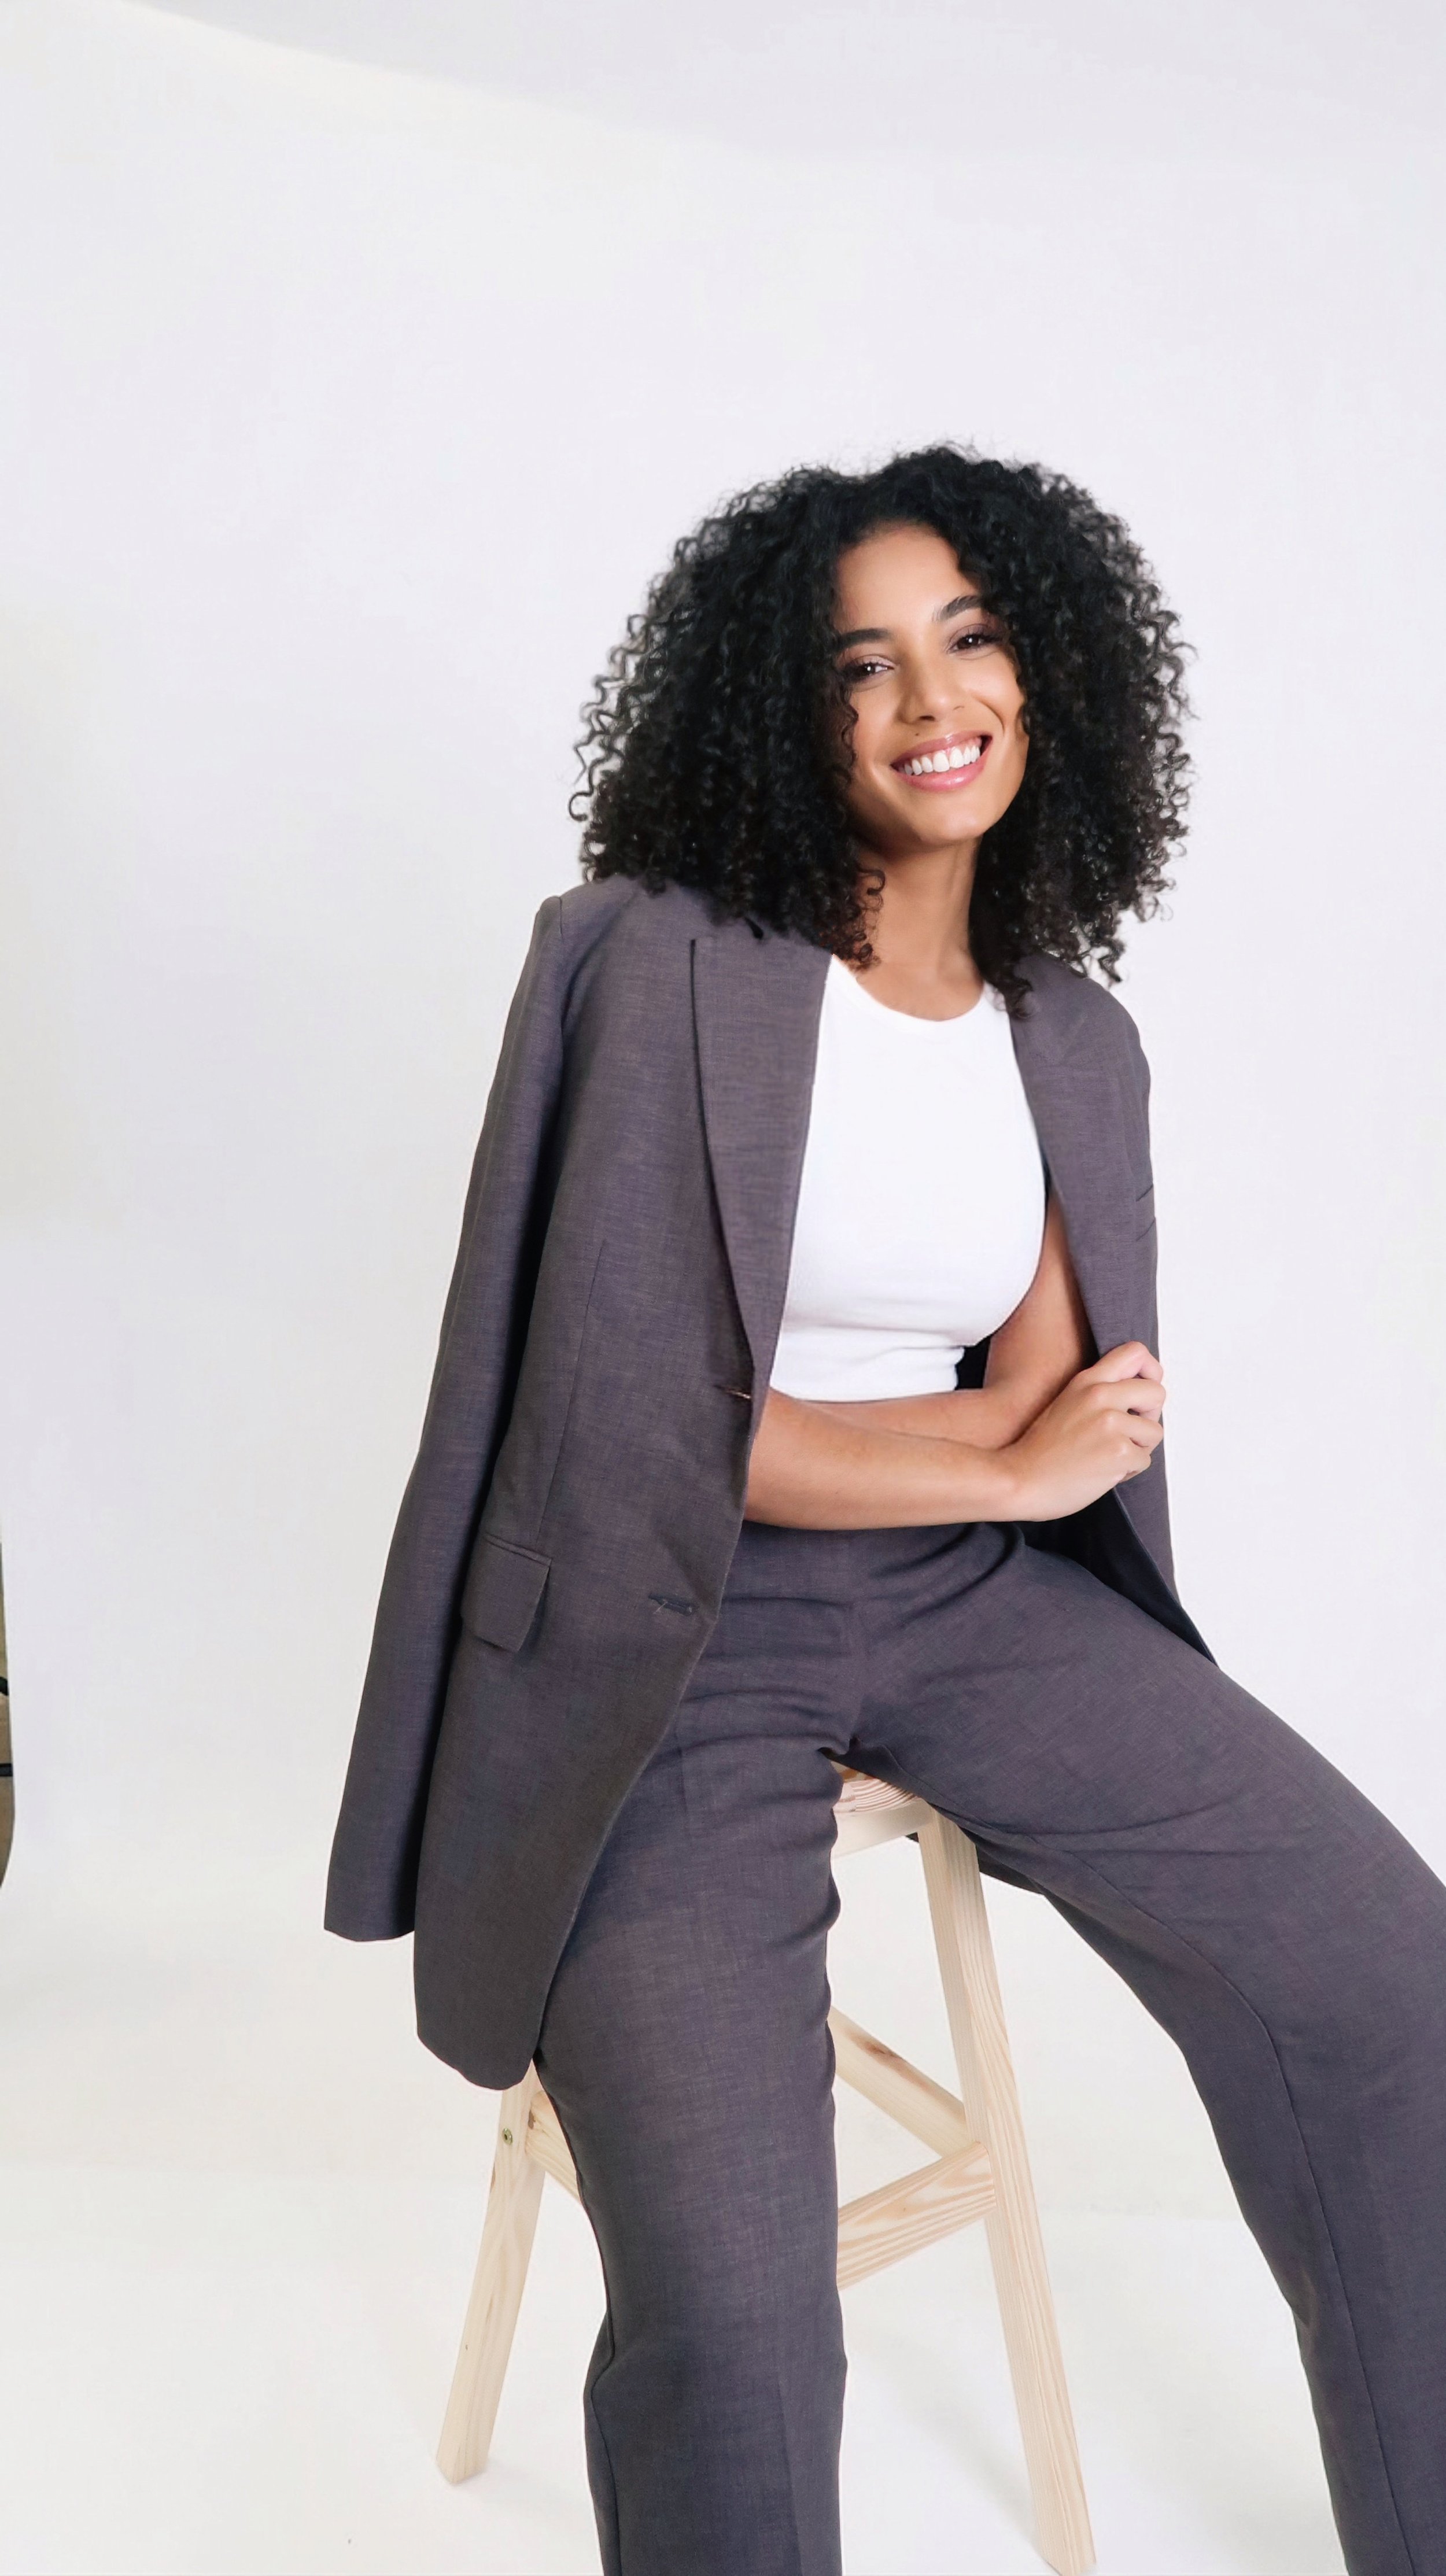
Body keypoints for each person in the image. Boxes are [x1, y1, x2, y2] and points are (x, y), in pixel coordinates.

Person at [326, 448, 1446, 2576]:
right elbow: (636, 1415)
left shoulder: (1061, 1030)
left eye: (972, 637)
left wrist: (985, 1473)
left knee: (1392, 1988)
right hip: (671, 1637)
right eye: (861, 666)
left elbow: (1060, 1396)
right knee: (744, 2309)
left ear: (1049, 677)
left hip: (966, 1607)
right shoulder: (649, 960)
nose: (932, 698)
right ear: (779, 712)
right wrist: (996, 1460)